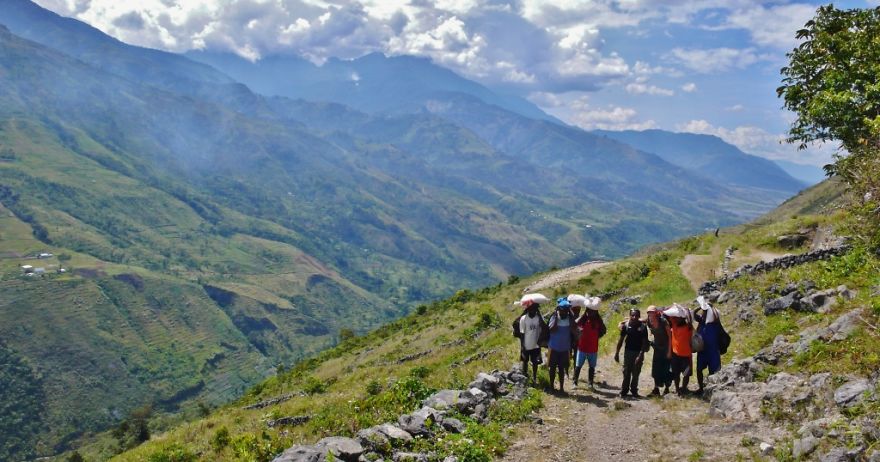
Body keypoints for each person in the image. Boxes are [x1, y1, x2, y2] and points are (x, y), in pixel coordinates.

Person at [614, 308, 649, 398]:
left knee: (636, 372)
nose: (634, 317)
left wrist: (640, 355)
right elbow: (621, 340)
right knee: (626, 372)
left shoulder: (643, 327)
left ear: (639, 316)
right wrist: (617, 353)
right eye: (632, 315)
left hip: (638, 352)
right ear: (630, 316)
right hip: (628, 352)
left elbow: (644, 342)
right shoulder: (626, 326)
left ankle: (634, 390)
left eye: (636, 315)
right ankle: (624, 390)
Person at [547, 298, 577, 393]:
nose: (564, 312)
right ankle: (551, 387)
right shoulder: (553, 318)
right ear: (558, 309)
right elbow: (550, 329)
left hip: (564, 349)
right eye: (562, 310)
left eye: (566, 310)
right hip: (553, 348)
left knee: (561, 368)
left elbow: (574, 330)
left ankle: (561, 388)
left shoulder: (570, 320)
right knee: (552, 368)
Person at [574, 298, 604, 389]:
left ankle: (590, 383)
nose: (590, 313)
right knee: (578, 366)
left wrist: (595, 338)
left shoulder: (598, 321)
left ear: (596, 312)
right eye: (589, 311)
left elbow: (603, 331)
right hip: (582, 347)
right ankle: (575, 382)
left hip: (592, 348)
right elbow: (574, 325)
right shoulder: (582, 320)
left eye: (593, 312)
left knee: (592, 367)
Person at [694, 297, 722, 395]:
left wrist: (710, 308)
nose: (705, 312)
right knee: (699, 369)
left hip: (713, 351)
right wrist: (700, 306)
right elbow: (694, 314)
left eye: (706, 310)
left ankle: (711, 389)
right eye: (704, 310)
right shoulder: (701, 320)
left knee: (713, 371)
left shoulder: (715, 322)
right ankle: (701, 388)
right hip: (702, 350)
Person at [515, 299, 546, 385]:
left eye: (535, 309)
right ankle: (525, 377)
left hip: (536, 345)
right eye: (531, 309)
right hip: (526, 345)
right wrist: (522, 347)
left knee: (535, 362)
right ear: (528, 309)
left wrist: (540, 315)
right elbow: (522, 333)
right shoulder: (523, 319)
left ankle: (534, 377)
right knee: (525, 361)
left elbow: (543, 328)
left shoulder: (538, 318)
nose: (533, 311)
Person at [646, 306, 673, 396]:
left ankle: (667, 388)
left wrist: (669, 351)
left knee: (666, 368)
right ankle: (656, 389)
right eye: (649, 312)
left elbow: (670, 336)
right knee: (656, 368)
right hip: (657, 348)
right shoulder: (649, 322)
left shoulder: (663, 321)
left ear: (656, 313)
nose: (650, 314)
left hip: (666, 348)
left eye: (652, 312)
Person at [668, 306, 694, 396]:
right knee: (676, 374)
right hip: (675, 354)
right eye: (676, 317)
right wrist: (675, 306)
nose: (676, 319)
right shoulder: (674, 325)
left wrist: (686, 310)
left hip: (686, 356)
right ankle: (677, 389)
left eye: (679, 317)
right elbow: (668, 314)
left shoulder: (689, 327)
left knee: (686, 374)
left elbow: (690, 318)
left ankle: (684, 388)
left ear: (683, 318)